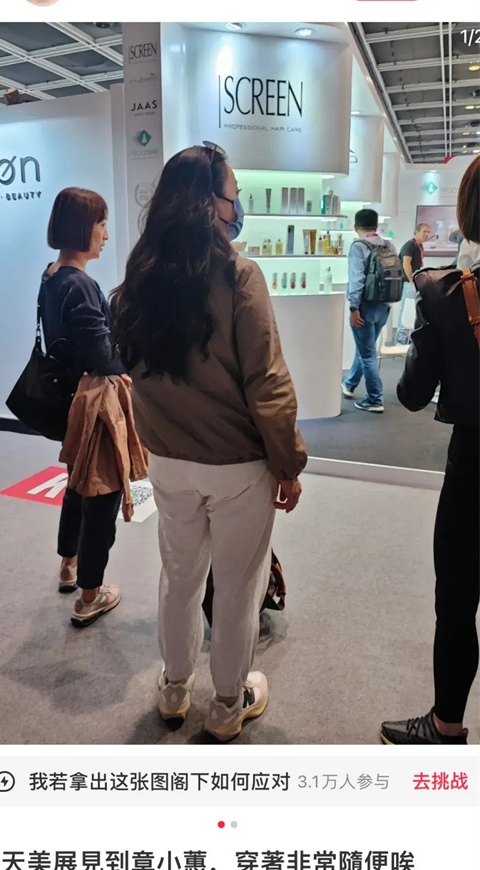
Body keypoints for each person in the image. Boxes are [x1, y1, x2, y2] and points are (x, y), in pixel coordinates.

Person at [112, 143, 307, 741]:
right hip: (236, 464)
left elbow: (135, 371)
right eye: (234, 195)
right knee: (238, 586)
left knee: (179, 576)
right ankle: (226, 704)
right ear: (210, 204)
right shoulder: (239, 276)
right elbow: (267, 381)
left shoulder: (137, 281)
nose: (238, 206)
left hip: (169, 462)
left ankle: (174, 687)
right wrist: (288, 462)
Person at [381, 155, 480, 745]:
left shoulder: (448, 295)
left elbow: (413, 395)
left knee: (459, 599)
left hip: (474, 467)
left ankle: (446, 726)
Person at [39, 187, 124, 626]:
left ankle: (68, 564)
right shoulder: (81, 285)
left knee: (76, 484)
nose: (106, 234)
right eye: (101, 224)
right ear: (82, 227)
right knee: (101, 496)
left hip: (69, 402)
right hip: (94, 409)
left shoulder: (51, 276)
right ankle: (90, 595)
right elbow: (103, 357)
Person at [341, 208, 399, 413]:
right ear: (376, 226)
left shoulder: (358, 246)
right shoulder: (388, 245)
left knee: (367, 354)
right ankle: (350, 384)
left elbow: (357, 278)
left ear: (355, 226)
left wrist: (353, 307)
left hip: (365, 306)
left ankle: (375, 399)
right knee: (365, 347)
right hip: (384, 306)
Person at [395, 222, 430, 345]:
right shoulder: (410, 245)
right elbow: (406, 263)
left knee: (412, 309)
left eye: (428, 232)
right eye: (424, 231)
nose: (427, 234)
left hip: (414, 282)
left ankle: (408, 339)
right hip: (408, 283)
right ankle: (401, 339)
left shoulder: (419, 246)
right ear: (417, 232)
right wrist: (411, 280)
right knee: (406, 309)